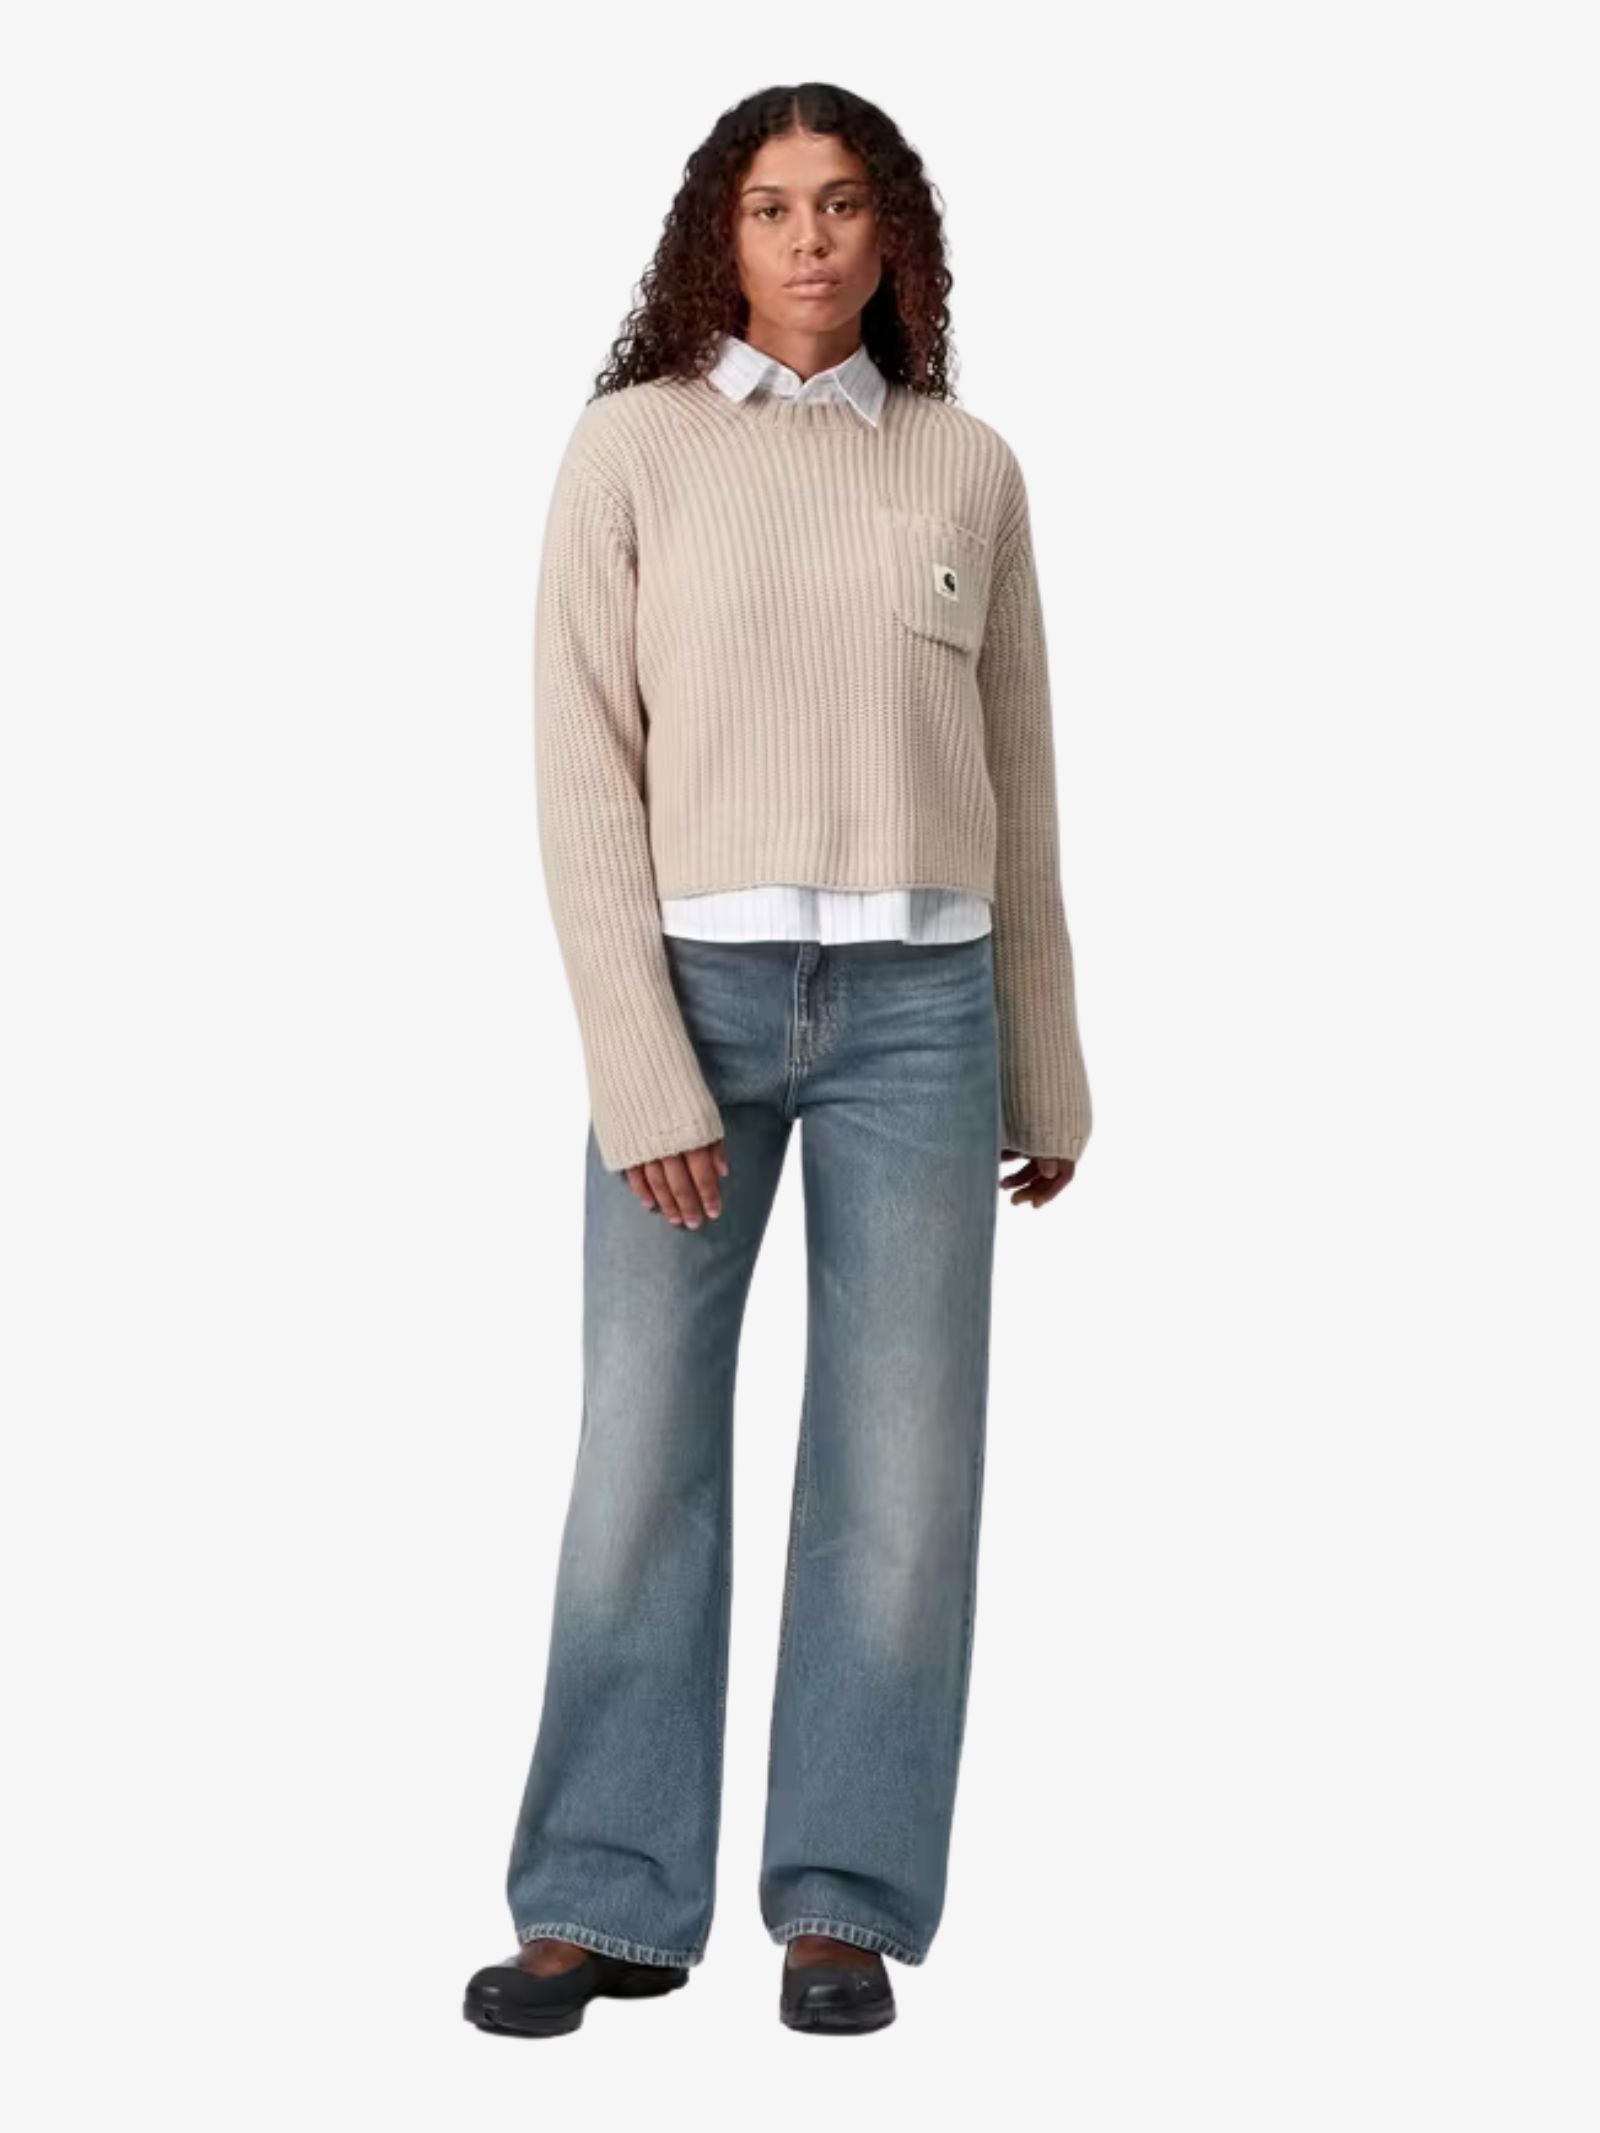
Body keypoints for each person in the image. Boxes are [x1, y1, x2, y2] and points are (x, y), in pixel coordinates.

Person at [464, 81, 1092, 2041]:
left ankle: (842, 1900)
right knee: (640, 1455)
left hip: (924, 1012)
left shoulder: (965, 466)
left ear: (893, 231)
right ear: (714, 236)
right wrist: (639, 1069)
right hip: (696, 998)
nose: (807, 238)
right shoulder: (632, 450)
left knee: (900, 1473)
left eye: (840, 203)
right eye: (768, 205)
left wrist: (1044, 1063)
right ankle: (599, 1897)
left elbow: (1017, 784)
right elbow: (584, 774)